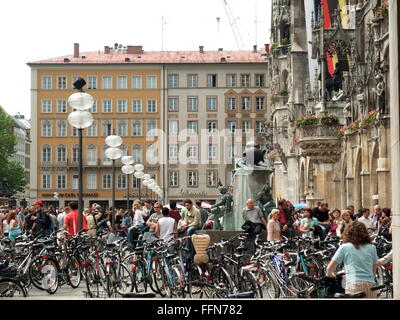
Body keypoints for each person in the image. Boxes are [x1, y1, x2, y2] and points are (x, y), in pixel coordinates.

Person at [326, 222, 378, 298]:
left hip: (353, 284)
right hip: (371, 285)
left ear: (348, 233)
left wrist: (331, 275)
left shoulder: (344, 247)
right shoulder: (372, 247)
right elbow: (373, 270)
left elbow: (329, 269)